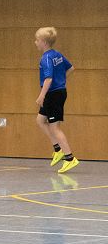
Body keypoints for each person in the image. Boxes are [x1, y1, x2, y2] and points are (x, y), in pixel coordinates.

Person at [34, 26, 77, 173]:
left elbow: (48, 78)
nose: (35, 42)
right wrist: (61, 81)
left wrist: (42, 95)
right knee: (40, 120)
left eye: (37, 40)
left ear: (44, 42)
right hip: (57, 92)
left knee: (54, 127)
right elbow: (71, 68)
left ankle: (69, 158)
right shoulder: (57, 54)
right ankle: (57, 149)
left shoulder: (46, 58)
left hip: (52, 94)